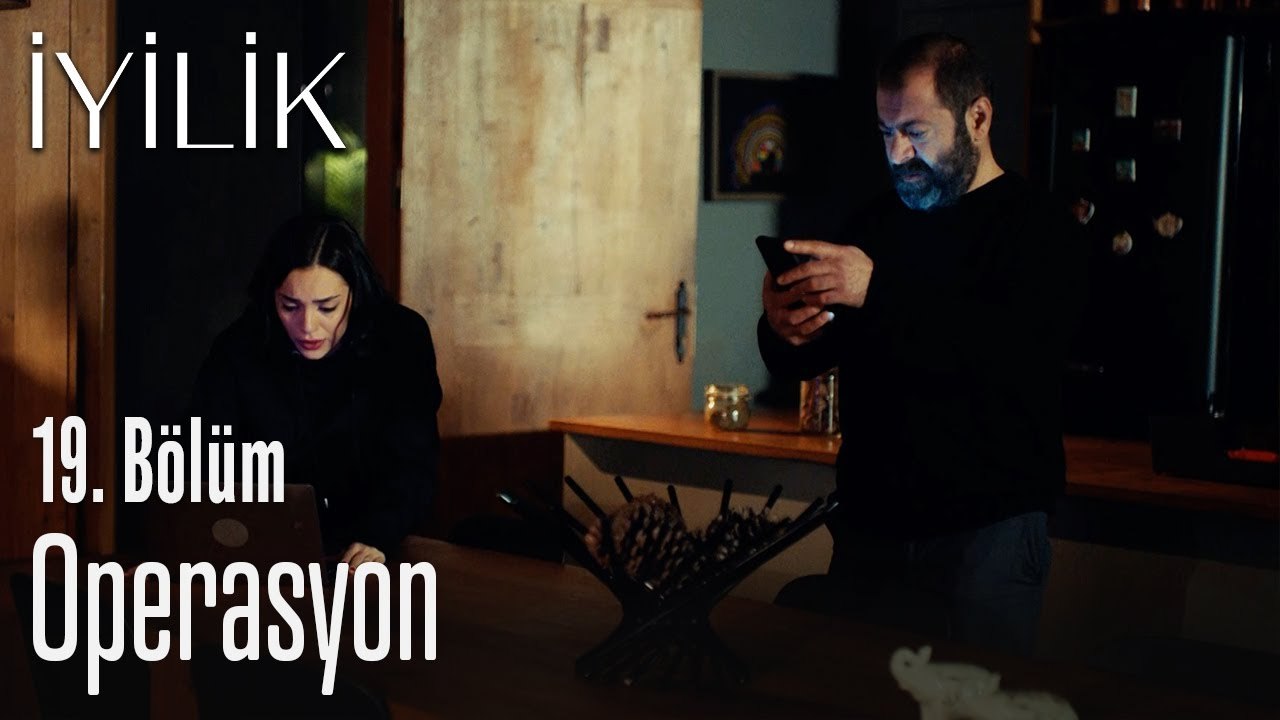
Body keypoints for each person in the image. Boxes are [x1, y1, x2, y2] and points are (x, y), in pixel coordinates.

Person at [759, 33, 1084, 655]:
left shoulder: (1039, 229)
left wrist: (875, 290)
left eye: (915, 131)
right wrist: (781, 325)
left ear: (978, 117)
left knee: (971, 694)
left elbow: (1002, 358)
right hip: (869, 526)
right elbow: (814, 356)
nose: (898, 153)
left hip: (984, 531)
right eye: (886, 132)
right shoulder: (876, 223)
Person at [189, 214, 442, 569]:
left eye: (327, 307)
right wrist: (179, 550)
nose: (307, 326)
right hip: (267, 549)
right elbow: (201, 456)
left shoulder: (400, 338)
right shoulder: (241, 346)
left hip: (371, 548)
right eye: (289, 306)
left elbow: (414, 463)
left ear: (355, 293)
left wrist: (377, 536)